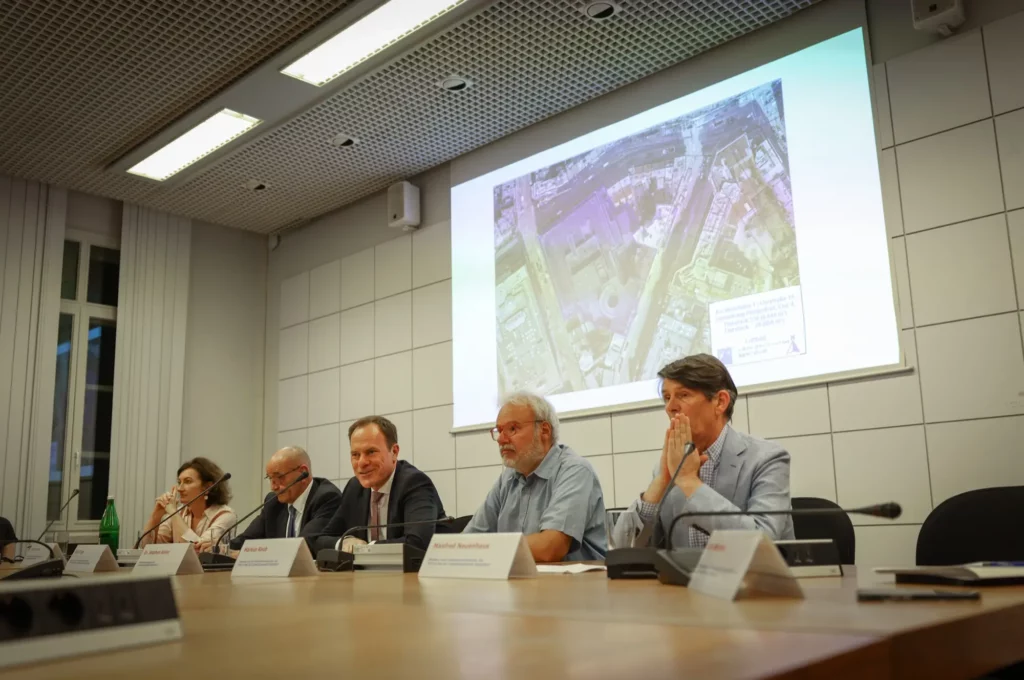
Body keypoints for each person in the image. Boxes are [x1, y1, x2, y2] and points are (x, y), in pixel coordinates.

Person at [612, 354, 794, 549]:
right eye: (666, 397)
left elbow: (763, 542)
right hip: (683, 580)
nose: (670, 407)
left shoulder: (767, 458)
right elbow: (621, 548)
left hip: (752, 579)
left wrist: (690, 482)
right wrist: (659, 483)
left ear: (720, 402)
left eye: (683, 395)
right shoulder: (669, 467)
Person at [463, 392, 607, 563]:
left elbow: (550, 548)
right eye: (499, 431)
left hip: (577, 585)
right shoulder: (508, 478)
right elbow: (467, 542)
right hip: (521, 585)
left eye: (512, 429)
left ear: (544, 431)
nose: (501, 439)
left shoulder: (575, 470)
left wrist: (484, 548)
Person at [314, 416, 446, 554]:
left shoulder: (414, 483)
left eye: (371, 452)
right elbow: (321, 540)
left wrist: (366, 548)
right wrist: (345, 542)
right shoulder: (355, 487)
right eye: (355, 454)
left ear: (394, 452)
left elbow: (417, 543)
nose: (361, 462)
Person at [228, 446, 342, 551]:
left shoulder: (327, 497)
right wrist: (222, 549)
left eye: (279, 477)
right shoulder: (273, 502)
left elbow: (305, 544)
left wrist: (253, 554)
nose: (273, 487)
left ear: (303, 473)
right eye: (270, 478)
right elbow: (247, 539)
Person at [140, 457, 237, 552]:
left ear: (208, 487)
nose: (179, 488)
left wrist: (174, 513)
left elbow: (197, 552)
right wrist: (156, 515)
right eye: (179, 482)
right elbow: (146, 549)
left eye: (187, 481)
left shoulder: (226, 516)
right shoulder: (180, 512)